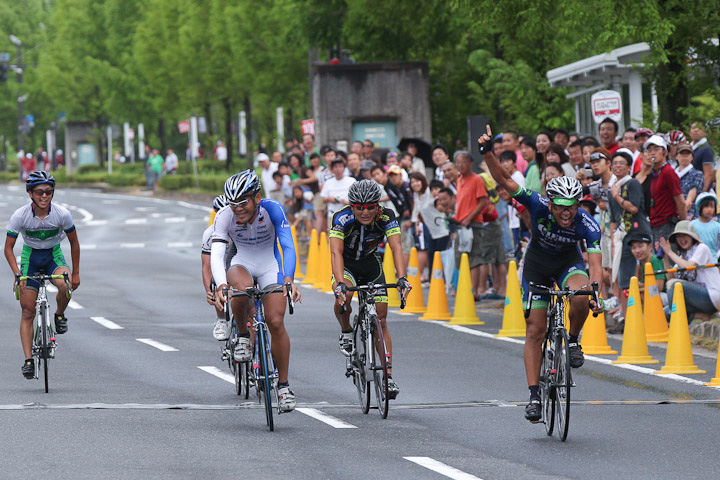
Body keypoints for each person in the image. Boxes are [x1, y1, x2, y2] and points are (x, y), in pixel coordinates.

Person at [477, 126, 603, 423]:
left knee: (582, 295)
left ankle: (572, 340)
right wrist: (487, 153)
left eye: (571, 206)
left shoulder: (586, 221)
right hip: (536, 266)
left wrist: (596, 289)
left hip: (567, 263)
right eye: (561, 207)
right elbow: (505, 180)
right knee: (535, 329)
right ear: (551, 202)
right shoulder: (537, 203)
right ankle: (534, 395)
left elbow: (595, 261)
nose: (566, 213)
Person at [211, 170, 302, 412]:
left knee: (275, 321)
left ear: (257, 198)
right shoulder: (223, 216)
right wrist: (221, 285)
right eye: (233, 204)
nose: (238, 209)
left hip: (270, 265)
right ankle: (242, 336)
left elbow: (287, 245)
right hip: (242, 262)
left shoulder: (272, 209)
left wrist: (290, 279)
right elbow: (218, 254)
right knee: (241, 289)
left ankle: (283, 387)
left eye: (243, 203)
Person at [330, 180, 410, 399]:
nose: (365, 212)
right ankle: (346, 330)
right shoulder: (341, 217)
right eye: (359, 207)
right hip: (345, 265)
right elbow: (336, 253)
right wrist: (339, 284)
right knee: (344, 296)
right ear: (352, 206)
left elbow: (396, 247)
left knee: (382, 320)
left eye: (370, 207)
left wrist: (403, 278)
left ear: (378, 206)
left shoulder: (387, 216)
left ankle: (388, 377)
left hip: (371, 264)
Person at [4, 172, 81, 379]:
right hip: (30, 259)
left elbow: (74, 242)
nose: (45, 196)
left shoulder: (61, 214)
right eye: (40, 192)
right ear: (30, 194)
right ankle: (29, 360)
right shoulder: (20, 215)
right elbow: (8, 249)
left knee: (65, 285)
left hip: (53, 257)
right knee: (27, 310)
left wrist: (75, 273)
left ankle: (59, 315)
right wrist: (17, 273)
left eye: (48, 192)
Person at [454, 151, 505, 300]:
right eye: (458, 162)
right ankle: (466, 289)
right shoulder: (460, 179)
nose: (460, 165)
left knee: (475, 258)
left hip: (473, 223)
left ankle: (474, 291)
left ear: (470, 163)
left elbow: (483, 201)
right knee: (462, 257)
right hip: (461, 223)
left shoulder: (476, 179)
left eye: (463, 161)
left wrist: (469, 218)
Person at [607, 150, 651, 323]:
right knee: (624, 281)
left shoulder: (632, 183)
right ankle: (628, 321)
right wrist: (612, 240)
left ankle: (645, 319)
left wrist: (617, 196)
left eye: (622, 163)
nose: (618, 166)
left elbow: (633, 208)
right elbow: (612, 218)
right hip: (621, 238)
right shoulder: (613, 188)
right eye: (615, 163)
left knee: (643, 276)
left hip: (638, 234)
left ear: (628, 167)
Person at [659, 221, 720, 322]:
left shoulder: (702, 248)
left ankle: (679, 324)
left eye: (685, 235)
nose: (682, 239)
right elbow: (670, 277)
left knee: (674, 291)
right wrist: (665, 257)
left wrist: (670, 252)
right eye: (679, 236)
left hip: (712, 296)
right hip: (698, 298)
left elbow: (689, 266)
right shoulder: (683, 255)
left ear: (692, 237)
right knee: (663, 313)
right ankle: (701, 315)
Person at [645, 134, 687, 244]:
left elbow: (680, 201)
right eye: (649, 150)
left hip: (666, 224)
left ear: (665, 152)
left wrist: (683, 227)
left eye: (656, 149)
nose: (652, 153)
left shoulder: (668, 172)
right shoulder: (653, 172)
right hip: (654, 224)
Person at [202, 195, 233, 340]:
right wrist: (209, 292)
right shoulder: (209, 234)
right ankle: (221, 319)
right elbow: (207, 266)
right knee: (215, 281)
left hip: (238, 265)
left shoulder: (241, 228)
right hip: (221, 266)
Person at [410, 172, 450, 280]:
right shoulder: (417, 195)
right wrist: (419, 224)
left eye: (417, 181)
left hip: (442, 231)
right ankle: (434, 278)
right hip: (432, 231)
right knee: (432, 255)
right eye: (412, 182)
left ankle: (443, 279)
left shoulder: (432, 195)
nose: (415, 184)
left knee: (440, 255)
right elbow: (418, 211)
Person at [321, 157, 356, 222]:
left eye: (340, 166)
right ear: (332, 169)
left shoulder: (352, 181)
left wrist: (347, 203)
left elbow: (357, 198)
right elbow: (323, 199)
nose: (338, 169)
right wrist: (329, 199)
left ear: (344, 168)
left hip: (348, 214)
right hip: (332, 214)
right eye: (336, 167)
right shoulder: (328, 182)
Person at [675, 143, 704, 219]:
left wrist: (681, 214)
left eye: (687, 154)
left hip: (689, 215)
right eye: (682, 154)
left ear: (692, 157)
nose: (685, 156)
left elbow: (690, 200)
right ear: (676, 157)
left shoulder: (697, 174)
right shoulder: (672, 174)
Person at [690, 193, 720, 258]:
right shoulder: (692, 225)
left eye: (712, 207)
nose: (710, 209)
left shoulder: (717, 226)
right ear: (699, 207)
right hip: (695, 261)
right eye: (706, 206)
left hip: (712, 261)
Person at [689, 121, 716, 193]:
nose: (696, 130)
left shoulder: (706, 149)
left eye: (699, 128)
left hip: (699, 190)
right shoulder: (688, 148)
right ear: (689, 132)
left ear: (705, 133)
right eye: (693, 128)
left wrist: (702, 193)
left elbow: (708, 174)